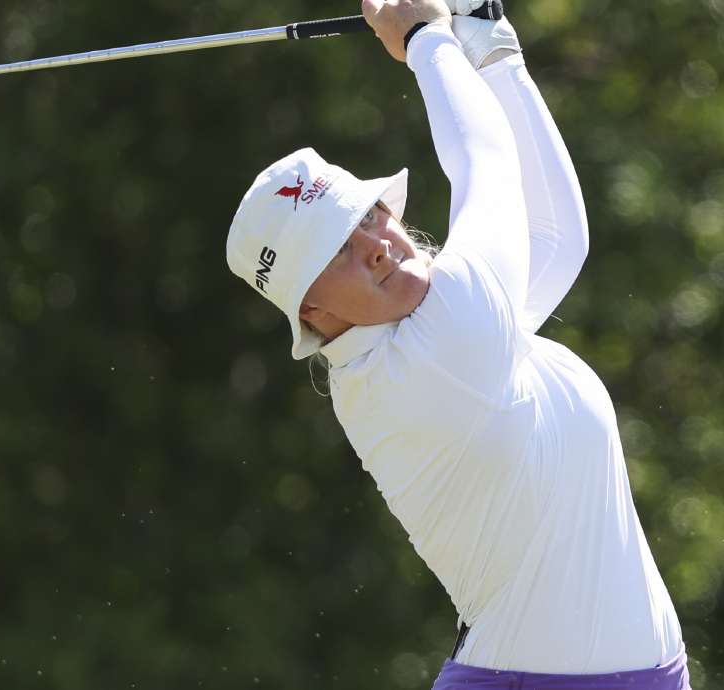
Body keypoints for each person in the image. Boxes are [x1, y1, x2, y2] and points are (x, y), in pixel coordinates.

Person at [226, 0, 691, 688]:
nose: (378, 248)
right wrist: (424, 39)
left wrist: (488, 40)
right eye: (337, 254)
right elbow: (489, 165)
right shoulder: (441, 347)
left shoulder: (437, 334)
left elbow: (557, 241)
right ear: (315, 308)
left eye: (368, 218)